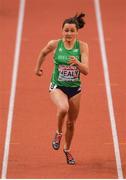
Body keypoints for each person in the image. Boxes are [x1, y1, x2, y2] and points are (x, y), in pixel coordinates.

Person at [35, 13, 89, 165]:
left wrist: (77, 63)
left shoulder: (83, 47)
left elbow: (86, 70)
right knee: (63, 108)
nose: (69, 33)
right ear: (62, 31)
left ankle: (67, 150)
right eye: (66, 30)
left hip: (75, 89)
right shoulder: (55, 44)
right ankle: (58, 133)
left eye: (72, 31)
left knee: (71, 123)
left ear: (77, 32)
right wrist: (37, 68)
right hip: (57, 86)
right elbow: (43, 52)